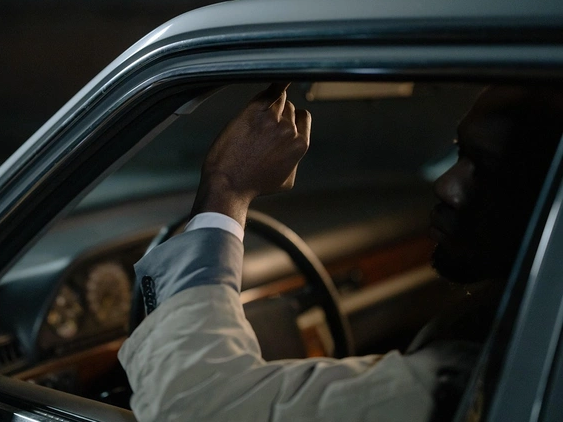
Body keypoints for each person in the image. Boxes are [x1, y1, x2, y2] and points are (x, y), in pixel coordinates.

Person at [117, 83, 563, 421]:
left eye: (488, 170)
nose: (446, 185)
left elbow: (193, 404)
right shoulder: (524, 330)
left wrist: (226, 187)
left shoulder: (483, 377)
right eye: (459, 154)